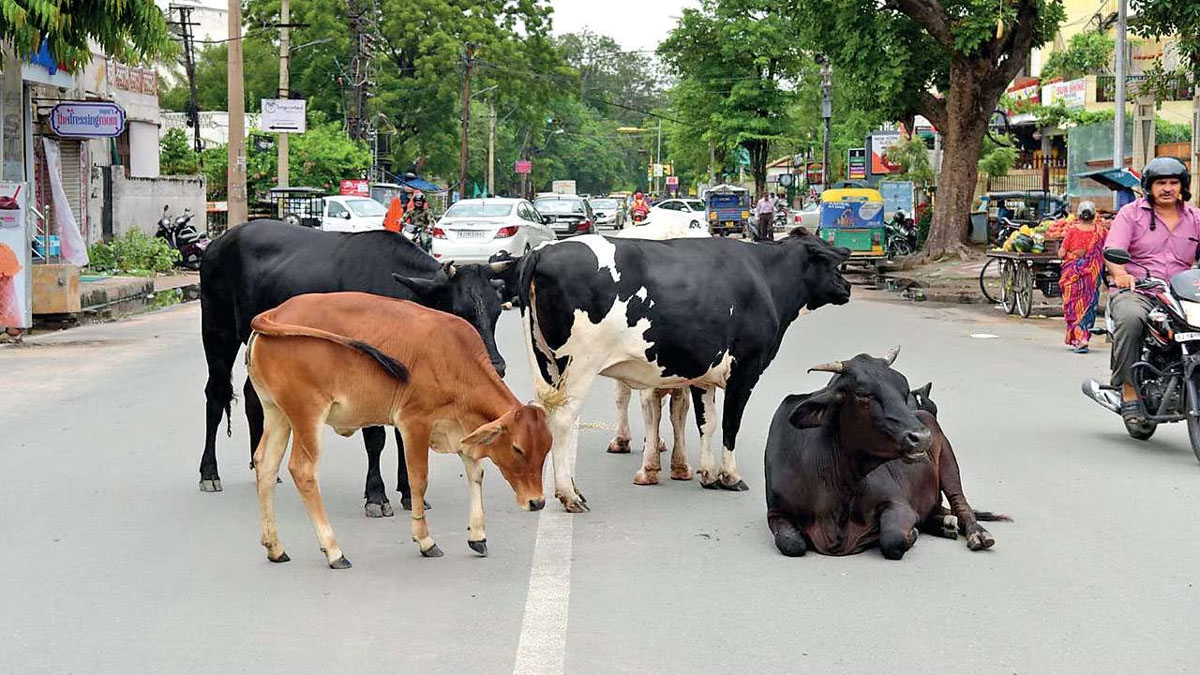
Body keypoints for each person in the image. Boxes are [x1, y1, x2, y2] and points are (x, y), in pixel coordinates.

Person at [1104, 156, 1200, 422]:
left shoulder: (1196, 218)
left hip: (1184, 296)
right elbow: (1114, 250)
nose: (1167, 188)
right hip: (1140, 291)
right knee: (1131, 319)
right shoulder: (1131, 214)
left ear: (1183, 186)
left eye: (1173, 182)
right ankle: (1128, 389)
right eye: (1161, 183)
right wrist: (1121, 274)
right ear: (1149, 186)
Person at [1058, 201, 1107, 354]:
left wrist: (1072, 255)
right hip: (1092, 277)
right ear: (1094, 215)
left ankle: (1080, 338)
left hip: (1071, 275)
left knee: (1073, 306)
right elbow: (1107, 252)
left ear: (1078, 215)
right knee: (1088, 305)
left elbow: (1061, 253)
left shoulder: (1072, 230)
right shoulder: (1102, 231)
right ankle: (1084, 336)